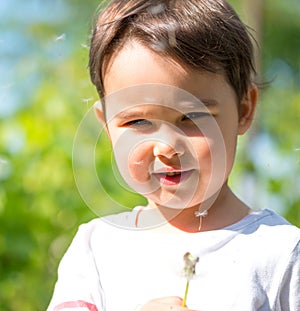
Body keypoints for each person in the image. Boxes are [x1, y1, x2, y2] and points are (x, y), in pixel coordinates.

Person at [47, 0, 300, 310]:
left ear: (244, 110)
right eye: (138, 121)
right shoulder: (96, 249)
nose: (166, 147)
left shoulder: (281, 252)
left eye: (191, 118)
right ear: (108, 127)